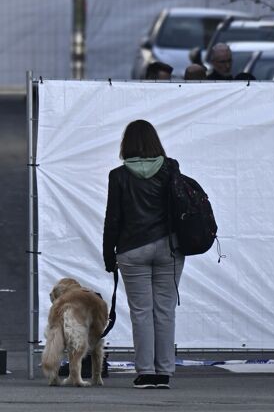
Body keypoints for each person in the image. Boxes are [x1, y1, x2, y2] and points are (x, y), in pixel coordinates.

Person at [103, 120, 184, 390]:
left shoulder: (119, 176)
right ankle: (164, 372)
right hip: (169, 247)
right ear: (154, 142)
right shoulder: (170, 168)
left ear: (126, 145)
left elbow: (113, 219)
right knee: (165, 310)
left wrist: (108, 255)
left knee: (141, 312)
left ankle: (146, 372)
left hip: (132, 249)